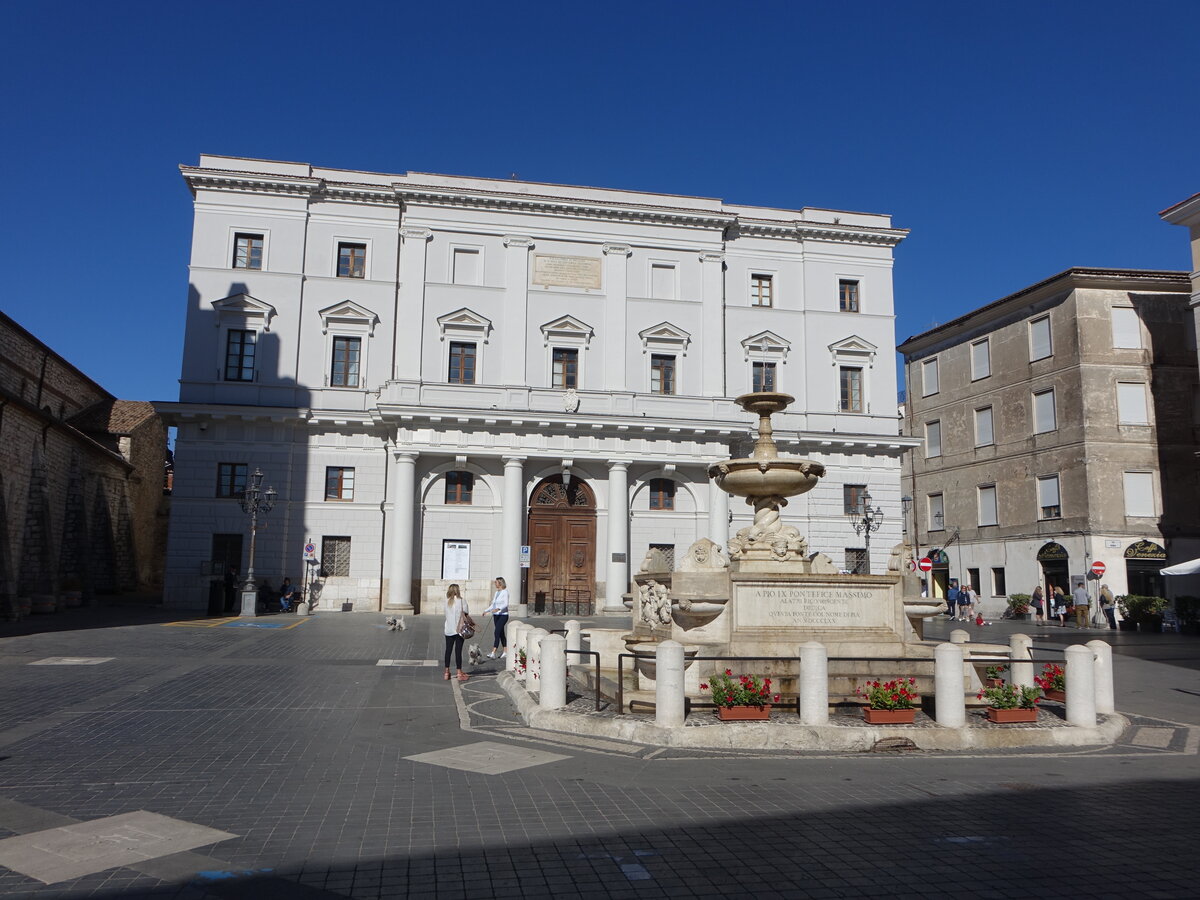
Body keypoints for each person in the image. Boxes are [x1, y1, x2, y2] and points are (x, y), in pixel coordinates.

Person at [443, 583, 472, 682]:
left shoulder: (446, 601)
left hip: (448, 629)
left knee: (448, 650)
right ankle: (459, 672)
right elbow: (466, 613)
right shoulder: (461, 600)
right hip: (459, 630)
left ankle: (446, 671)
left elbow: (445, 614)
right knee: (458, 651)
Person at [483, 576, 510, 659]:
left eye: (496, 582)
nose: (495, 583)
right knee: (501, 633)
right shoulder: (496, 593)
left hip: (503, 615)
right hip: (496, 615)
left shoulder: (505, 592)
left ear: (500, 583)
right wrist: (486, 611)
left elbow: (506, 604)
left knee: (496, 632)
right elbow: (493, 604)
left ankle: (493, 652)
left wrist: (498, 608)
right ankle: (505, 651)